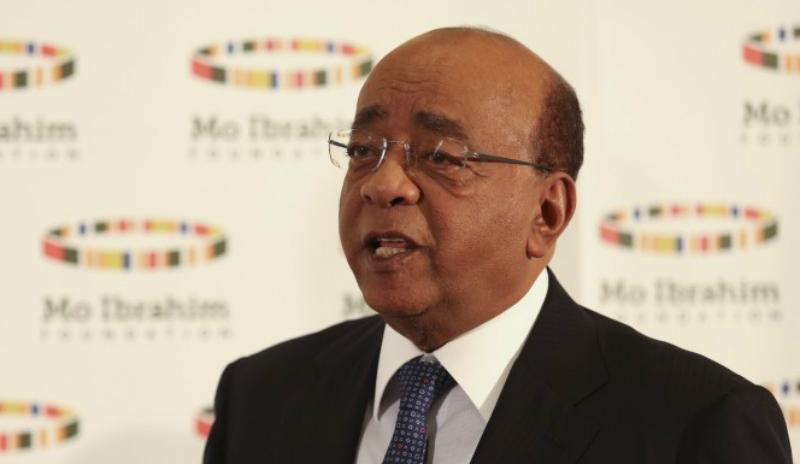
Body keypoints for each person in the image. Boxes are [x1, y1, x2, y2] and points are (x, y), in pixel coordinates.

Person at [203, 27, 792, 464]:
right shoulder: (260, 398)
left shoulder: (693, 425)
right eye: (363, 150)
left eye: (440, 156)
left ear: (547, 212)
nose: (383, 184)